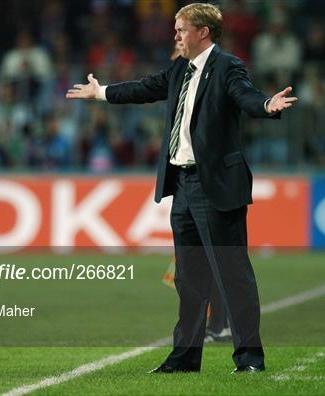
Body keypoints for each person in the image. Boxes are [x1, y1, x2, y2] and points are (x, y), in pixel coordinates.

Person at [66, 3, 297, 374]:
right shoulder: (179, 70)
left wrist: (267, 103)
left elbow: (246, 96)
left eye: (181, 29)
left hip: (216, 187)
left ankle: (250, 357)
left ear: (203, 32)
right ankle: (186, 358)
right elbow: (145, 88)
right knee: (188, 280)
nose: (175, 35)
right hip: (184, 185)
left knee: (232, 274)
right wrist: (102, 93)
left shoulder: (228, 67)